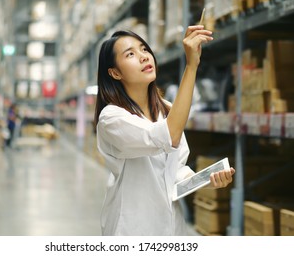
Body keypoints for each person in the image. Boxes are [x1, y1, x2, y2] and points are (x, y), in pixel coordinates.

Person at [93, 25, 235, 236]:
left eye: (144, 49)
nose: (143, 57)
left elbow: (175, 172)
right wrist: (191, 66)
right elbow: (169, 136)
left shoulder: (167, 109)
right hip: (132, 230)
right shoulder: (111, 118)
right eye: (130, 54)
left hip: (171, 228)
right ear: (115, 73)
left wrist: (205, 180)